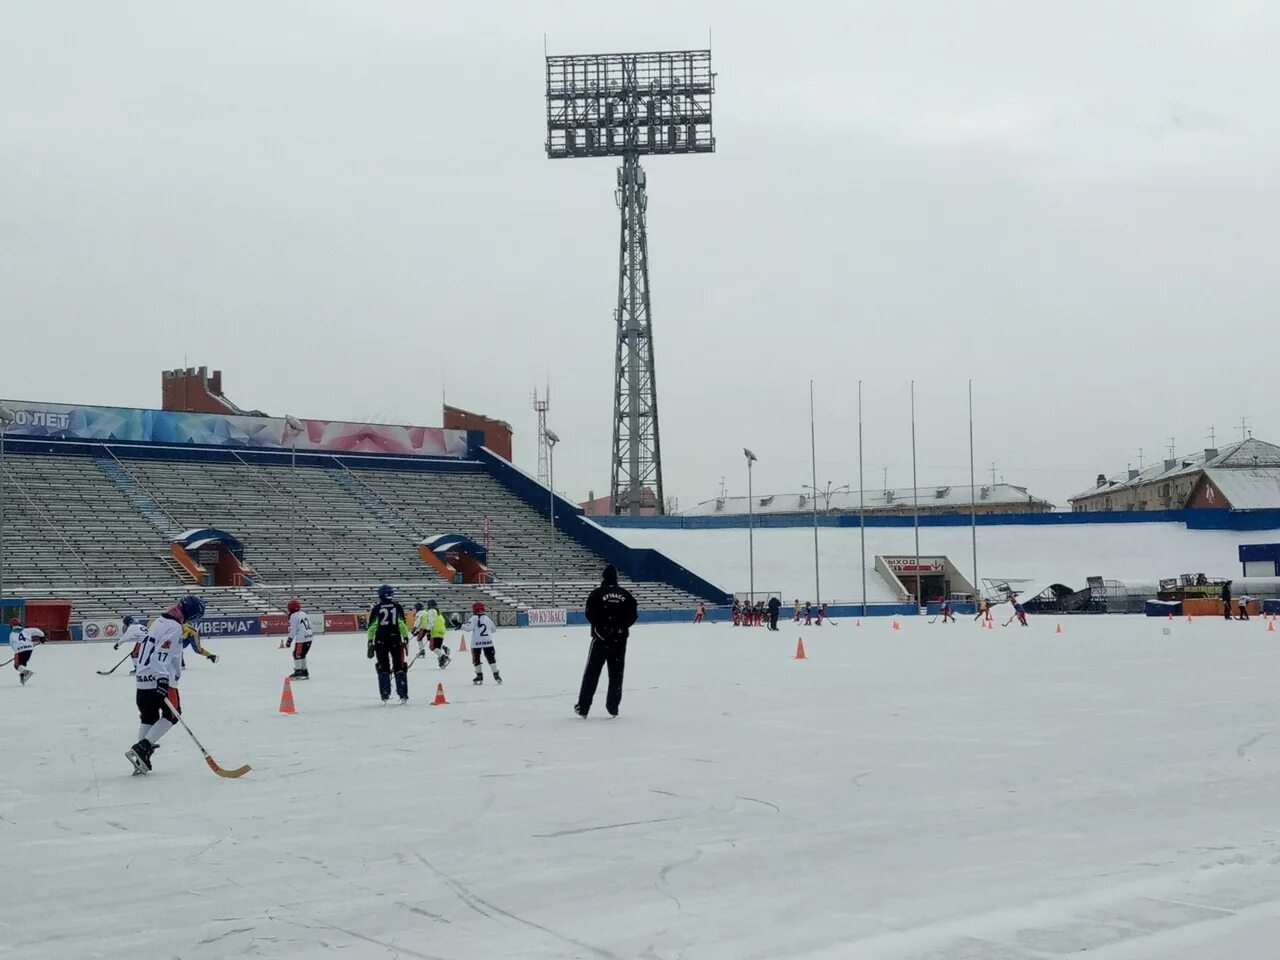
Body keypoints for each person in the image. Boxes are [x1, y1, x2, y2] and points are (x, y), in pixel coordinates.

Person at [126, 595, 205, 773]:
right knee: (173, 714)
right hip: (162, 679)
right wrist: (162, 678)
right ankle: (143, 747)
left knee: (149, 717)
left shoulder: (160, 621)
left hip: (142, 678)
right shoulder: (175, 627)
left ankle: (141, 759)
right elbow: (161, 653)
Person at [576, 565, 637, 718]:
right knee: (616, 674)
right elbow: (633, 614)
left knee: (592, 673)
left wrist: (602, 628)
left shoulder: (597, 594)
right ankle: (613, 707)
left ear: (603, 577)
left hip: (601, 639)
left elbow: (589, 613)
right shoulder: (626, 595)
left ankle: (583, 707)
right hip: (620, 641)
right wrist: (621, 628)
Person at [367, 584, 410, 703]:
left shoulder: (376, 608)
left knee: (383, 667)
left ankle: (385, 694)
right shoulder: (398, 607)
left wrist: (370, 641)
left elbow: (372, 627)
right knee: (399, 666)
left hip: (380, 640)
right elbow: (402, 624)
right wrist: (405, 637)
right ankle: (402, 694)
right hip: (395, 639)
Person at [465, 601, 500, 684]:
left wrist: (460, 625)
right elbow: (494, 629)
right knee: (491, 658)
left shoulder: (473, 618)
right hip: (488, 642)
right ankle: (496, 674)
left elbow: (468, 628)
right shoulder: (487, 618)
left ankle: (479, 675)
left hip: (476, 643)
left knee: (476, 658)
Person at [9, 618, 46, 685]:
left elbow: (13, 645)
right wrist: (42, 637)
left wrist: (16, 654)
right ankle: (23, 675)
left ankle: (25, 673)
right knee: (22, 663)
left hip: (19, 649)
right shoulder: (27, 630)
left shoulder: (11, 634)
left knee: (16, 665)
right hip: (29, 649)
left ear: (11, 626)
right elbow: (38, 631)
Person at [286, 598, 314, 679]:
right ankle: (304, 671)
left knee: (297, 654)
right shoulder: (303, 613)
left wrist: (289, 640)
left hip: (302, 638)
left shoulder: (293, 616)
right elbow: (311, 625)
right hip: (309, 636)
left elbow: (293, 629)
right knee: (302, 654)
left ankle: (298, 671)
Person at [426, 600, 451, 668]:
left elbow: (430, 621)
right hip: (441, 632)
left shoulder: (431, 611)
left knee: (432, 647)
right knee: (438, 648)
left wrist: (428, 631)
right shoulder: (439, 612)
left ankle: (444, 656)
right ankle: (442, 662)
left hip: (435, 632)